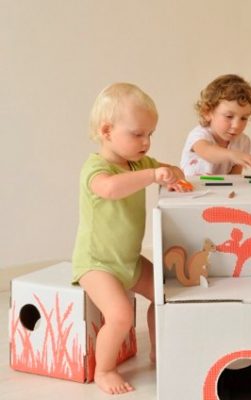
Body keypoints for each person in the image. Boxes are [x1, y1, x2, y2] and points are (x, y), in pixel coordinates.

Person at [72, 82, 190, 395]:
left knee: (165, 295)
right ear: (107, 131)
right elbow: (110, 188)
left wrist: (173, 176)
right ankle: (104, 369)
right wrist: (152, 176)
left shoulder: (139, 162)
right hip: (98, 263)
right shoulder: (95, 168)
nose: (147, 142)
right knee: (121, 315)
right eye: (138, 134)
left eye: (151, 134)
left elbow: (174, 169)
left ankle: (158, 351)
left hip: (129, 261)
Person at [180, 74, 251, 176]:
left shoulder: (243, 142)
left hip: (220, 191)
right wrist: (232, 155)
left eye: (244, 118)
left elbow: (234, 178)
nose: (237, 125)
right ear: (207, 113)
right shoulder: (199, 135)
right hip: (191, 190)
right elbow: (207, 152)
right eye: (229, 116)